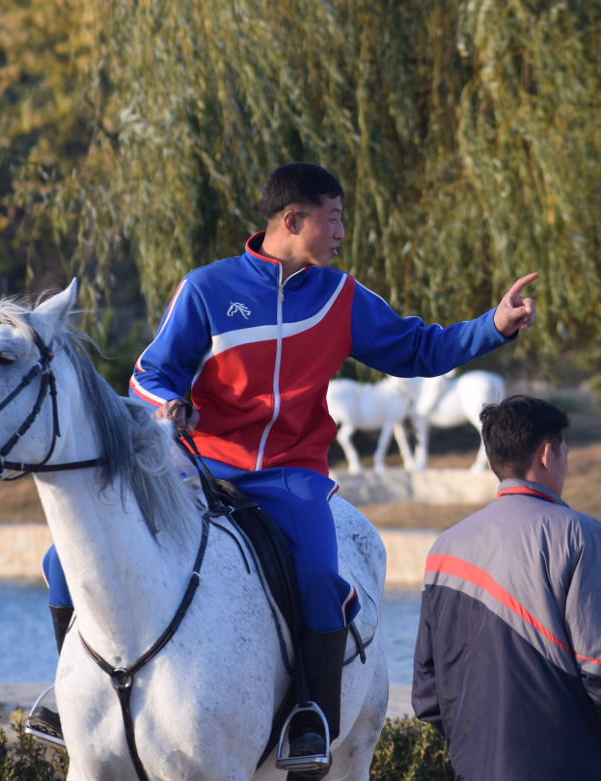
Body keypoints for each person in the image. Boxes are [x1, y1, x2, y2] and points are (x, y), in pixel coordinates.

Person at [34, 162, 538, 769]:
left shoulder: (340, 297)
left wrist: (495, 326)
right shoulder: (206, 289)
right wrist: (166, 404)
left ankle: (312, 719)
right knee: (62, 560)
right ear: (292, 220)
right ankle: (71, 697)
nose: (342, 232)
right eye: (334, 218)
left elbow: (418, 348)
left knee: (323, 586)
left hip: (289, 475)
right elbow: (151, 371)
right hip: (196, 466)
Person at [412, 395, 601, 780]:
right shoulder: (579, 534)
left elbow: (427, 692)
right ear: (546, 455)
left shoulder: (444, 548)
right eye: (565, 452)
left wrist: (475, 748)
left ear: (491, 465)